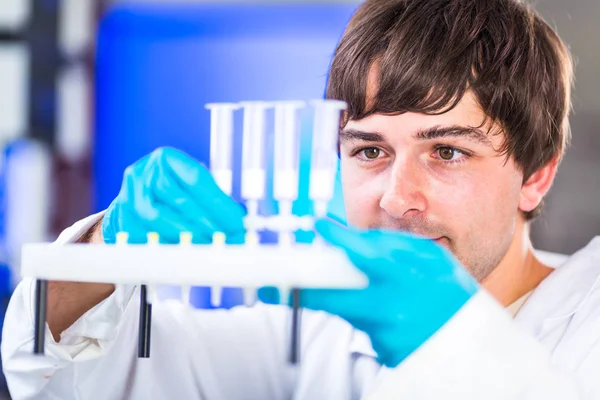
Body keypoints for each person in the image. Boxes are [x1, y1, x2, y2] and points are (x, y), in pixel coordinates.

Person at [2, 0, 599, 398]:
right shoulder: (322, 331)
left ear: (536, 175)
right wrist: (107, 250)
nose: (397, 198)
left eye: (446, 151)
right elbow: (69, 380)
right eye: (369, 151)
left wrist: (449, 336)